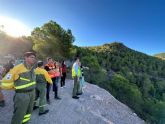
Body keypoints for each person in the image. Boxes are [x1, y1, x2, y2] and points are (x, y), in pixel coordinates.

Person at [0, 52, 36, 124]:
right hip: (22, 95)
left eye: (34, 58)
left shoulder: (32, 68)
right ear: (25, 58)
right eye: (31, 57)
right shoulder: (17, 69)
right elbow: (4, 83)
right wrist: (15, 87)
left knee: (28, 113)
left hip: (32, 93)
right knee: (19, 115)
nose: (33, 59)